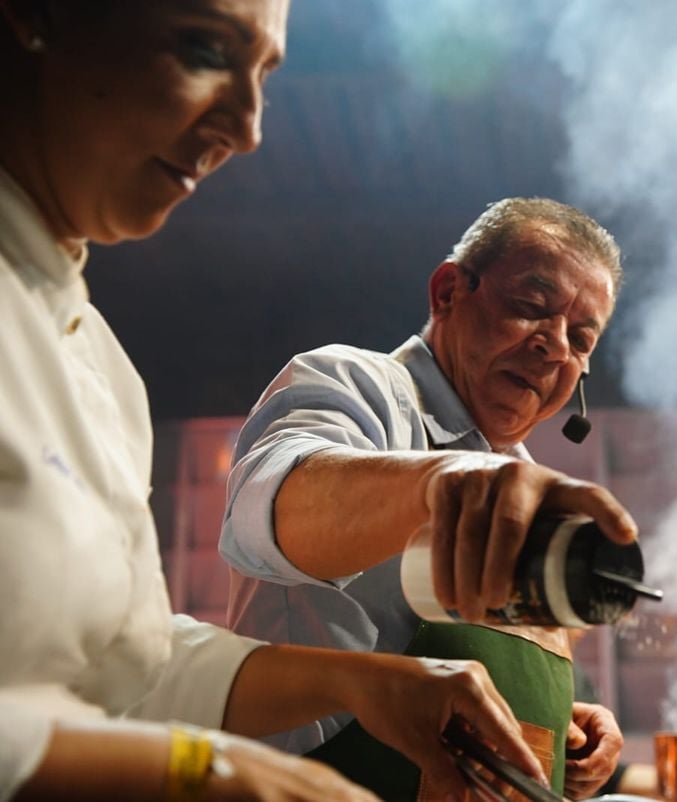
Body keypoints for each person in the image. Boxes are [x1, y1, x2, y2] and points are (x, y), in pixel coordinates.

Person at [0, 1, 547, 800]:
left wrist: (366, 684)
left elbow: (133, 668)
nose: (250, 128)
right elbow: (275, 506)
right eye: (202, 47)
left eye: (262, 76)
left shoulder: (101, 368)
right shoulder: (351, 383)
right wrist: (203, 769)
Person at [219, 197, 639, 800]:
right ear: (447, 292)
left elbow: (501, 669)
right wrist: (446, 485)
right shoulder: (354, 385)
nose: (553, 347)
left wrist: (564, 724)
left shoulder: (522, 483)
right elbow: (272, 508)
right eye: (529, 308)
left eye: (580, 339)